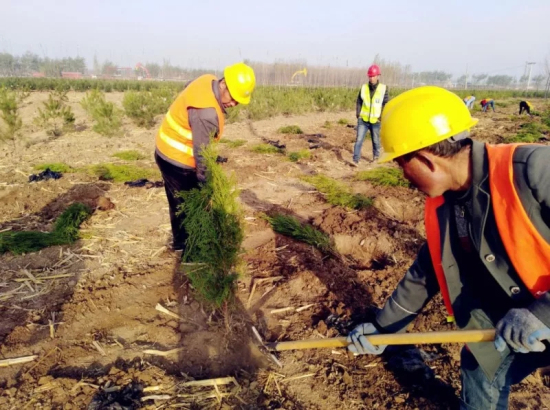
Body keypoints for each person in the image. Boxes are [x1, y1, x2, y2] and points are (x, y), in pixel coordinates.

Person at [347, 86, 550, 410]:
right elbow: (427, 270)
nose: (403, 176)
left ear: (425, 160)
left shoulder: (533, 170)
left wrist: (542, 313)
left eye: (401, 164)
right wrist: (382, 329)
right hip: (512, 320)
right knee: (481, 364)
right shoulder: (445, 204)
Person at [155, 62, 255, 251]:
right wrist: (206, 184)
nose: (234, 104)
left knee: (179, 202)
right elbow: (202, 154)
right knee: (187, 207)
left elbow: (188, 87)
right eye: (233, 98)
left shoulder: (207, 79)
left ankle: (184, 243)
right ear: (223, 84)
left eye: (238, 101)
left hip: (166, 146)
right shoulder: (206, 114)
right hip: (176, 159)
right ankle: (187, 249)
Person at [352, 64, 389, 165]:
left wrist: (381, 117)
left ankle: (376, 158)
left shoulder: (383, 88)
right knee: (359, 140)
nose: (371, 78)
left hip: (375, 120)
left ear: (378, 76)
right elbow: (359, 101)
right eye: (370, 76)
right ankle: (355, 160)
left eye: (373, 76)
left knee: (376, 141)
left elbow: (385, 104)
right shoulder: (364, 87)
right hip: (363, 120)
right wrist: (358, 114)